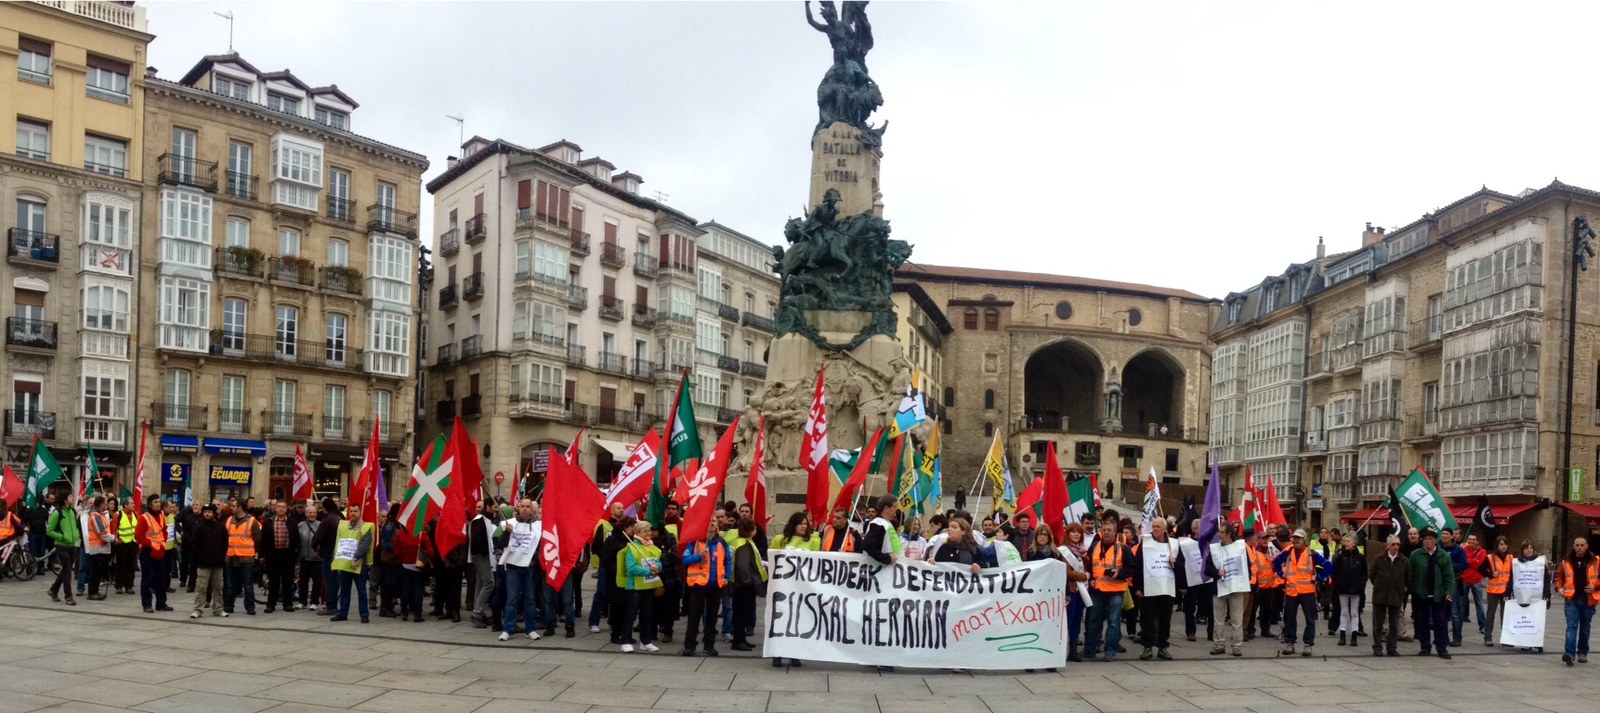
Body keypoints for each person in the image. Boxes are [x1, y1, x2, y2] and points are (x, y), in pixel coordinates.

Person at [1273, 529, 1332, 657]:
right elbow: (1276, 562)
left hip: (1307, 591)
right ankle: (1290, 642)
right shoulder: (1288, 552)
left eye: (1299, 538)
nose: (1296, 540)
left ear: (1305, 539)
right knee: (1289, 618)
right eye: (1294, 538)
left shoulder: (1312, 554)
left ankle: (1308, 644)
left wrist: (1319, 577)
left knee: (1310, 619)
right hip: (1291, 590)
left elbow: (1328, 566)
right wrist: (1281, 574)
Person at [1133, 518, 1185, 661]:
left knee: (1165, 619)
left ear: (1164, 529)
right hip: (1149, 588)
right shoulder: (1145, 543)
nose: (1155, 529)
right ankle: (1147, 646)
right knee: (1147, 619)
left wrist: (1175, 562)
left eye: (1158, 527)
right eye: (1154, 526)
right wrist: (1137, 587)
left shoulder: (1173, 545)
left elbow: (1182, 567)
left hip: (1167, 588)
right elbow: (1138, 565)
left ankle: (1163, 646)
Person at [681, 519, 732, 658]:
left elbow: (728, 560)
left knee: (712, 617)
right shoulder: (695, 542)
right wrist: (699, 556)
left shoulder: (721, 543)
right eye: (709, 521)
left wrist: (726, 577)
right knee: (694, 616)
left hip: (716, 585)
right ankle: (690, 646)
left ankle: (709, 645)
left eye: (714, 521)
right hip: (698, 585)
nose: (712, 523)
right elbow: (684, 560)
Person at [1084, 518, 1132, 662]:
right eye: (1104, 530)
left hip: (1115, 591)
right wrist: (1090, 579)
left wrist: (1119, 574)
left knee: (1114, 622)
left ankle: (1110, 651)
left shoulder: (1123, 548)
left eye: (1109, 530)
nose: (1106, 532)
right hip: (1097, 590)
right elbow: (1088, 567)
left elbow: (1132, 568)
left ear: (1115, 532)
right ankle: (1089, 650)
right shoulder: (1094, 547)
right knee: (1094, 621)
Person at [497, 498, 544, 642]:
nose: (524, 509)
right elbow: (500, 544)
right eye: (522, 506)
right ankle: (508, 629)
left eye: (527, 506)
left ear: (531, 509)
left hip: (528, 567)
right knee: (512, 599)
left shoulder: (537, 526)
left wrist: (534, 559)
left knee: (530, 599)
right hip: (512, 567)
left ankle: (530, 629)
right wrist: (506, 533)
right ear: (518, 508)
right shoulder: (509, 523)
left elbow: (540, 546)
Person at [1206, 521, 1252, 657]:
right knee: (1218, 619)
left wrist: (1243, 581)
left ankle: (1237, 646)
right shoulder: (1214, 549)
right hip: (1219, 588)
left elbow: (1247, 567)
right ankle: (1219, 644)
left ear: (1229, 534)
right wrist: (1216, 572)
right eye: (1219, 532)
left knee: (1236, 619)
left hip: (1236, 588)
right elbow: (1207, 569)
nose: (1219, 535)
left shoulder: (1240, 547)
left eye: (1222, 532)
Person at [1409, 528, 1456, 659]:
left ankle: (1442, 648)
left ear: (1435, 540)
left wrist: (1449, 592)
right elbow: (1410, 575)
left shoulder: (1443, 556)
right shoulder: (1415, 555)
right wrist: (1413, 589)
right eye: (1425, 539)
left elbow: (1449, 576)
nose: (1427, 541)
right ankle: (1425, 647)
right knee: (1422, 622)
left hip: (1438, 594)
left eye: (1430, 539)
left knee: (1440, 622)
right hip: (1421, 594)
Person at [617, 521, 662, 653]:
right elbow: (631, 568)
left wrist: (657, 567)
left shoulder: (653, 547)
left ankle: (646, 641)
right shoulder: (632, 548)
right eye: (645, 531)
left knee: (647, 614)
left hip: (648, 585)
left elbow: (658, 561)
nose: (648, 533)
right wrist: (649, 571)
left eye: (649, 530)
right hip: (634, 587)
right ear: (637, 533)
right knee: (631, 614)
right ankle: (625, 641)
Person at [1555, 536, 1599, 666]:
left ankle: (1582, 652)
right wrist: (1559, 588)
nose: (1579, 548)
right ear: (1574, 546)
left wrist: (1595, 586)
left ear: (1586, 546)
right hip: (1571, 599)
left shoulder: (1595, 561)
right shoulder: (1566, 560)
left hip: (1588, 599)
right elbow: (1559, 577)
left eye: (1582, 545)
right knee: (1571, 626)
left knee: (1585, 627)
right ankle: (1569, 654)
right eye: (1577, 545)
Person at [330, 503, 376, 623]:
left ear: (360, 512)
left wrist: (356, 558)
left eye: (355, 511)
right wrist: (336, 560)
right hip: (345, 563)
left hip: (359, 564)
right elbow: (339, 543)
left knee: (361, 590)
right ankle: (342, 613)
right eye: (351, 511)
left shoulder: (365, 527)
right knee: (344, 590)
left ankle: (364, 615)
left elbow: (365, 545)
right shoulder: (343, 526)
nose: (353, 513)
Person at [588, 502, 625, 633]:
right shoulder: (604, 525)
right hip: (606, 566)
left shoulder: (624, 527)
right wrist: (606, 557)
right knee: (601, 593)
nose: (621, 510)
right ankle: (593, 622)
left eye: (622, 508)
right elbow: (595, 547)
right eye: (618, 508)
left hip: (619, 567)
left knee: (616, 595)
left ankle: (613, 621)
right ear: (612, 510)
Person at [730, 518, 765, 653]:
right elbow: (742, 566)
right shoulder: (744, 545)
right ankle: (738, 641)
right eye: (754, 528)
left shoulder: (742, 542)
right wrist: (748, 581)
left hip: (741, 584)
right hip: (743, 586)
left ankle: (741, 639)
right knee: (741, 614)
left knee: (743, 613)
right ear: (751, 530)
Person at [1368, 535, 1408, 656]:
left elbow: (1408, 577)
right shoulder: (1378, 559)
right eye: (1393, 544)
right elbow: (1372, 576)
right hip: (1380, 595)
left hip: (1395, 595)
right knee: (1378, 624)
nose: (1396, 547)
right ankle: (1377, 646)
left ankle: (1392, 647)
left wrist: (1402, 588)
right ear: (1388, 545)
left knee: (1394, 623)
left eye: (1398, 544)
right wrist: (1380, 585)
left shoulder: (1404, 561)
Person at [258, 500, 300, 613]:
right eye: (279, 507)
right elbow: (263, 540)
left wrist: (296, 555)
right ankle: (271, 604)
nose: (281, 509)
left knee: (288, 581)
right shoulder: (268, 522)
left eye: (283, 507)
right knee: (273, 581)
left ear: (286, 509)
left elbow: (297, 539)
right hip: (273, 555)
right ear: (275, 508)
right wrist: (261, 555)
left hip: (288, 555)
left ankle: (288, 604)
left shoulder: (292, 522)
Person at [187, 503, 228, 618]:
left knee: (218, 588)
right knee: (201, 588)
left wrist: (222, 556)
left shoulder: (220, 527)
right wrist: (199, 558)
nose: (207, 514)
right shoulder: (199, 527)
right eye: (205, 512)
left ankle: (218, 609)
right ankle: (197, 610)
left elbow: (225, 543)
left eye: (209, 512)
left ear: (213, 513)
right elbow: (194, 545)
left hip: (217, 563)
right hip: (203, 564)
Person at [1059, 523, 1092, 661]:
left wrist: (1085, 555)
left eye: (1079, 532)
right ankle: (1062, 650)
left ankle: (1073, 651)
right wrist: (1083, 576)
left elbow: (1089, 568)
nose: (1077, 534)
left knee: (1077, 620)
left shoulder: (1081, 551)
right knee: (1068, 619)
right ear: (1068, 534)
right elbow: (1067, 572)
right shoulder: (1063, 551)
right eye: (1073, 531)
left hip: (1081, 591)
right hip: (1070, 590)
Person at [135, 494, 172, 613]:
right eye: (155, 502)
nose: (158, 504)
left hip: (159, 551)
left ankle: (161, 603)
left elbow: (164, 530)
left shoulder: (161, 515)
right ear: (150, 505)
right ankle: (147, 604)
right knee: (147, 578)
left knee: (161, 578)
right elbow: (138, 536)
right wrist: (151, 544)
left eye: (159, 501)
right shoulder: (144, 518)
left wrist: (163, 542)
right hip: (147, 551)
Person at [222, 500, 259, 616]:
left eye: (234, 506)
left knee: (248, 584)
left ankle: (250, 607)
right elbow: (225, 537)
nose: (231, 508)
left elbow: (258, 539)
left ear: (240, 507)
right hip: (231, 556)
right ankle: (228, 606)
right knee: (230, 584)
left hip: (246, 557)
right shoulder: (229, 520)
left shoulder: (252, 521)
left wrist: (255, 554)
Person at [1331, 533, 1367, 646]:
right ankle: (1342, 635)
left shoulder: (1360, 558)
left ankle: (1354, 635)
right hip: (1343, 588)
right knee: (1344, 611)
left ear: (1354, 543)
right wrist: (1338, 583)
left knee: (1355, 612)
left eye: (1348, 541)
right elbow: (1334, 571)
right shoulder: (1340, 556)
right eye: (1345, 541)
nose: (1346, 543)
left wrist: (1361, 584)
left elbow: (1365, 573)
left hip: (1356, 589)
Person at [45, 492, 80, 605]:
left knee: (66, 569)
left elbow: (76, 526)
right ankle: (68, 596)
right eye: (70, 497)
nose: (72, 498)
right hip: (61, 546)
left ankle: (53, 590)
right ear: (65, 500)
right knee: (68, 571)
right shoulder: (57, 513)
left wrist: (77, 535)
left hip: (72, 545)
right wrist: (61, 537)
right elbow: (49, 531)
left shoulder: (73, 511)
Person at [468, 501, 500, 628]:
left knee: (481, 584)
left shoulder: (486, 519)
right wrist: (486, 552)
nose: (496, 509)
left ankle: (479, 612)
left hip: (484, 555)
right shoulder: (479, 520)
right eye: (495, 507)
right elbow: (476, 539)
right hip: (481, 556)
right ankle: (477, 613)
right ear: (488, 507)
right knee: (489, 583)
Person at [1454, 532, 1488, 647]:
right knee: (1461, 605)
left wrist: (1468, 561)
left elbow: (1480, 564)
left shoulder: (1482, 551)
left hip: (1476, 580)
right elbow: (1463, 563)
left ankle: (1483, 625)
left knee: (1479, 604)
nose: (1471, 541)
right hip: (1464, 579)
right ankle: (1458, 626)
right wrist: (1472, 561)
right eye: (1470, 539)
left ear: (1477, 541)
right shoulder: (1463, 549)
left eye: (1474, 539)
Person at [1439, 527, 1471, 647]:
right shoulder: (1439, 548)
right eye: (1443, 533)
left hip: (1454, 583)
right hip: (1440, 583)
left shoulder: (1458, 550)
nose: (1444, 536)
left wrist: (1450, 566)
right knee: (1441, 612)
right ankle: (1442, 637)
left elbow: (1464, 564)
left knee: (1455, 612)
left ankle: (1457, 638)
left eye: (1447, 534)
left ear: (1452, 536)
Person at [311, 498, 343, 615]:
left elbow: (317, 538)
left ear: (324, 509)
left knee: (329, 582)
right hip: (339, 554)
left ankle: (330, 606)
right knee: (336, 582)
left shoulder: (327, 521)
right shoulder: (340, 519)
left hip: (328, 554)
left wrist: (315, 547)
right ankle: (336, 605)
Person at [1483, 536, 1514, 647]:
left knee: (1505, 615)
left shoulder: (1510, 557)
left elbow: (1512, 575)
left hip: (1505, 591)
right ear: (1497, 545)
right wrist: (1490, 574)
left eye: (1505, 544)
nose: (1503, 546)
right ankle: (1487, 637)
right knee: (1490, 615)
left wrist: (1509, 590)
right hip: (1493, 591)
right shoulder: (1490, 557)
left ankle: (1505, 639)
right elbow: (1481, 569)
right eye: (1501, 544)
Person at [82, 496, 112, 601]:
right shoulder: (95, 516)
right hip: (97, 548)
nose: (106, 505)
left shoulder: (100, 515)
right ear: (101, 504)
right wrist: (113, 538)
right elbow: (101, 532)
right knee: (95, 572)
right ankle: (92, 592)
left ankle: (95, 590)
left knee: (98, 572)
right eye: (105, 503)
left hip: (102, 547)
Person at [858, 496, 900, 565]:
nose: (897, 509)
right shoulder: (878, 523)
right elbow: (867, 545)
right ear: (886, 509)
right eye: (895, 507)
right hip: (881, 569)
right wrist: (887, 558)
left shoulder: (886, 523)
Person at [297, 506, 324, 611]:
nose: (312, 514)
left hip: (317, 559)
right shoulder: (300, 525)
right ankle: (302, 601)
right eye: (310, 513)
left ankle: (314, 602)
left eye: (314, 512)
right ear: (306, 514)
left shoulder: (320, 525)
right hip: (304, 559)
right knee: (302, 582)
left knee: (317, 582)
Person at [112, 498, 138, 594]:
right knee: (120, 565)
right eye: (131, 503)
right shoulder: (118, 515)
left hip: (133, 543)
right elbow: (114, 529)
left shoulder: (135, 514)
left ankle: (129, 585)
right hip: (122, 544)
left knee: (131, 565)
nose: (133, 505)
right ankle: (119, 586)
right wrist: (116, 540)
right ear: (125, 505)